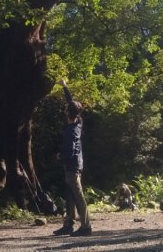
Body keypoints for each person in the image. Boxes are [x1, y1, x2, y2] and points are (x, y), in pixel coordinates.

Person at [53, 78, 92, 237]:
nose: (64, 111)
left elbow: (69, 151)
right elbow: (72, 104)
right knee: (70, 194)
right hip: (76, 164)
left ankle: (86, 227)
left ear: (68, 113)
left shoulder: (71, 130)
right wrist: (65, 87)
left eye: (65, 110)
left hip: (72, 166)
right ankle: (69, 224)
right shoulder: (78, 122)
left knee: (78, 196)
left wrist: (60, 157)